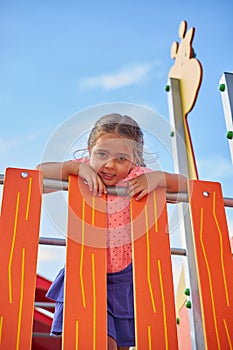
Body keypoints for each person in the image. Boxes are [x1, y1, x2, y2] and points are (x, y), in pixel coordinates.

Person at [36, 113, 187, 350]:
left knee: (118, 344)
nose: (110, 164)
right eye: (102, 154)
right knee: (94, 339)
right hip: (83, 269)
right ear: (89, 150)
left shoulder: (139, 177)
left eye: (121, 158)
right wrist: (75, 169)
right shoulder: (83, 170)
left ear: (134, 159)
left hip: (123, 276)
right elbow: (39, 175)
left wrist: (159, 178)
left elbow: (186, 187)